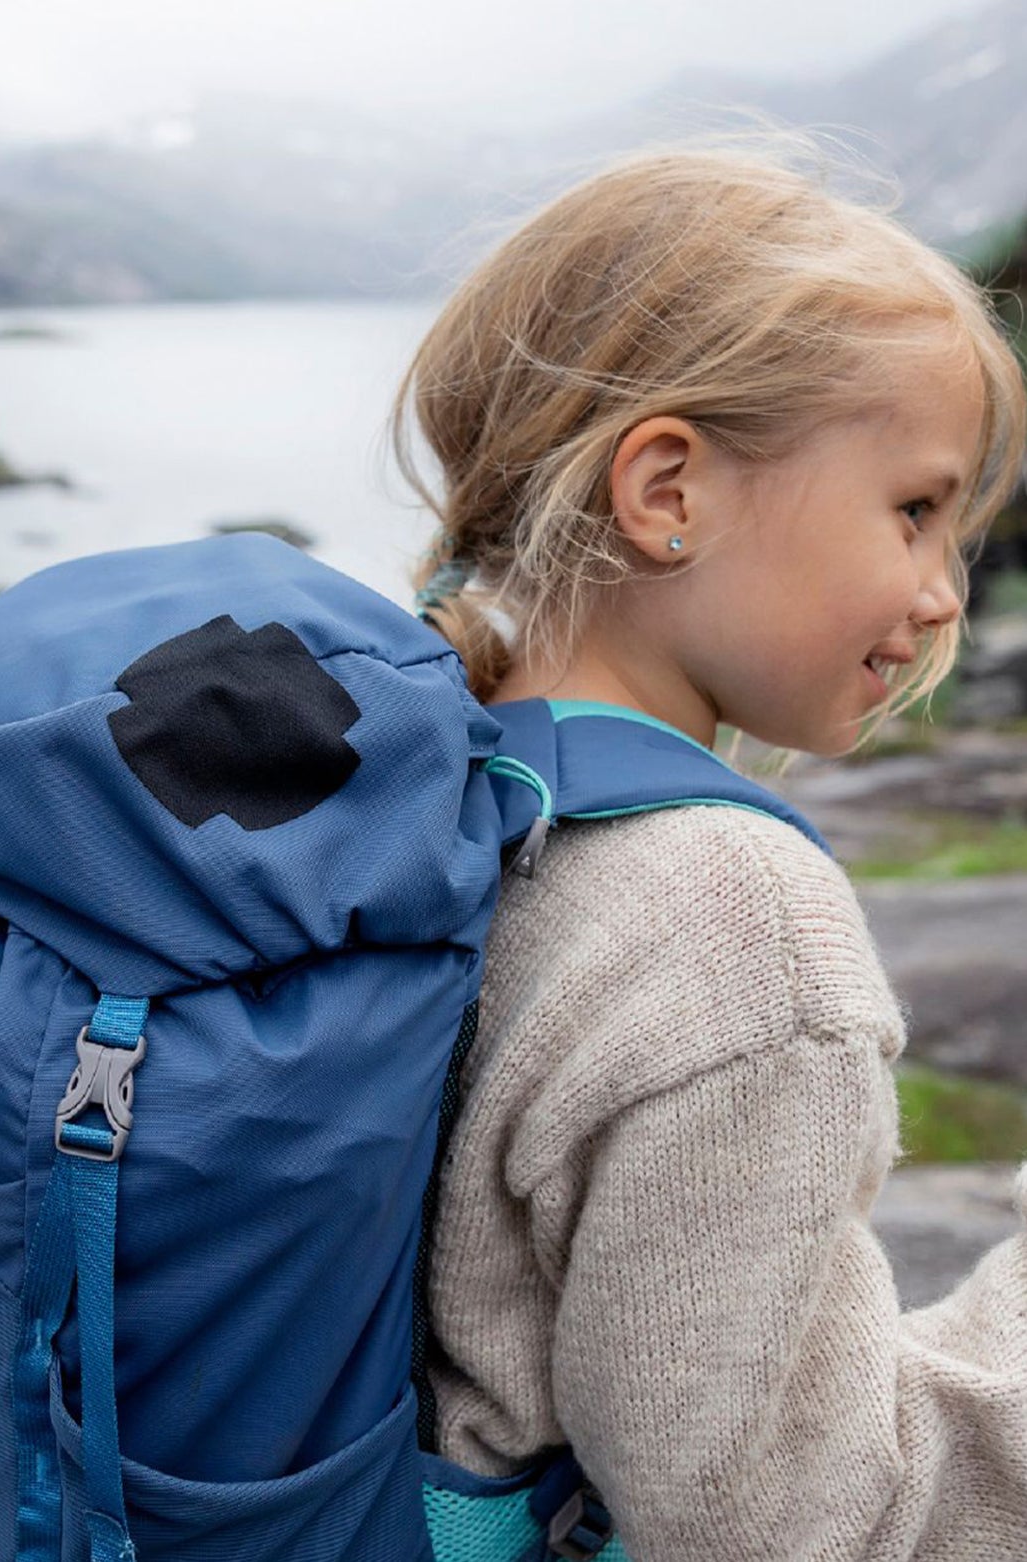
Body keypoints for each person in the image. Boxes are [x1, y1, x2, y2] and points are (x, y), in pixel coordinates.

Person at [395, 132, 1027, 1559]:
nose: (942, 595)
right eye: (915, 509)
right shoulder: (733, 915)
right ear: (667, 491)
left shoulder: (439, 773)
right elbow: (784, 1522)